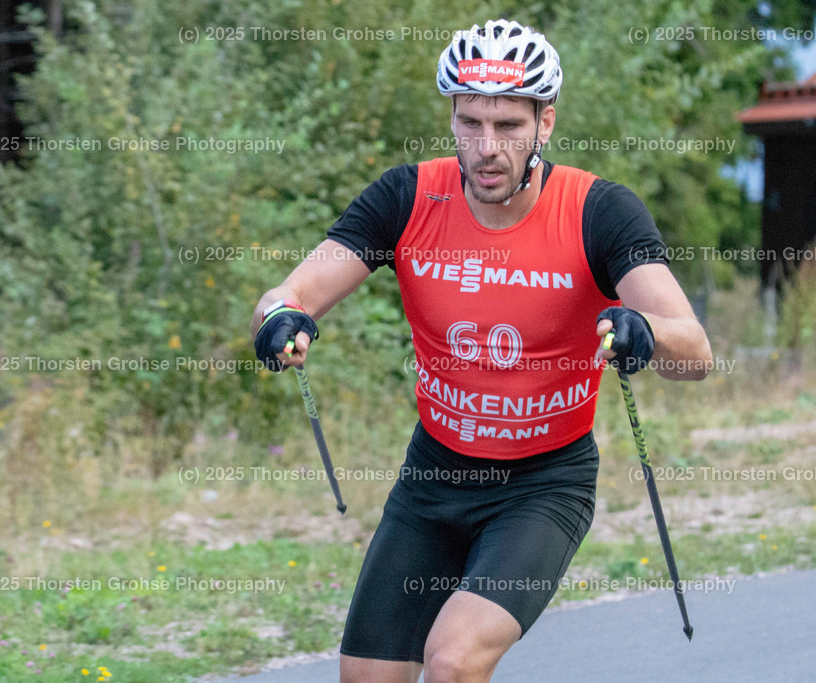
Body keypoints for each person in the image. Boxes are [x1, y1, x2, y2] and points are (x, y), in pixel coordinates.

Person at [250, 19, 712, 683]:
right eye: (470, 123)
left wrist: (646, 331)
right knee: (364, 676)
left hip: (542, 485)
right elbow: (289, 292)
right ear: (452, 118)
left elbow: (694, 349)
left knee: (453, 659)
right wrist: (279, 319)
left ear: (544, 123)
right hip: (433, 478)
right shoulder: (408, 197)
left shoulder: (597, 212)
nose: (486, 148)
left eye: (507, 126)